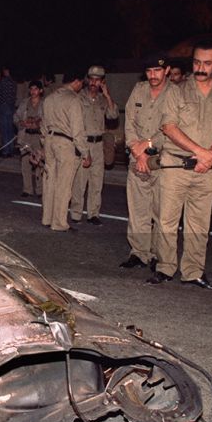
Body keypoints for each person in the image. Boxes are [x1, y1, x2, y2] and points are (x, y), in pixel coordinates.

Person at [147, 40, 212, 289]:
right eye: (197, 62)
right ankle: (165, 268)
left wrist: (210, 156)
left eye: (207, 63)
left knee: (199, 224)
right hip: (176, 165)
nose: (201, 68)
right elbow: (169, 127)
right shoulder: (177, 90)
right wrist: (201, 153)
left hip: (206, 169)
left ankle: (193, 272)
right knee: (167, 221)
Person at [119, 54, 174, 269]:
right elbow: (129, 122)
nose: (153, 75)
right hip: (137, 158)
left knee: (161, 210)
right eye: (149, 71)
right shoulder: (139, 89)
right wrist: (138, 152)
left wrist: (148, 145)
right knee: (138, 209)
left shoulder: (176, 93)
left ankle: (157, 254)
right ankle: (139, 252)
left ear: (167, 70)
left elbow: (174, 128)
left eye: (157, 70)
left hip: (163, 159)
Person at [70, 65, 118, 226]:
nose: (93, 82)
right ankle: (76, 213)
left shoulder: (103, 99)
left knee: (97, 182)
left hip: (99, 145)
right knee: (80, 181)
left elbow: (113, 115)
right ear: (87, 79)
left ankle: (93, 214)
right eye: (91, 79)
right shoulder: (78, 97)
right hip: (83, 143)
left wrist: (107, 95)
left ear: (102, 82)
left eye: (97, 80)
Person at [40, 72, 88, 232]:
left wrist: (44, 143)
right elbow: (77, 130)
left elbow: (43, 125)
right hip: (65, 143)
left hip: (49, 140)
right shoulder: (73, 99)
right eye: (81, 83)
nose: (81, 86)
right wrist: (85, 152)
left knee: (49, 181)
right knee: (64, 184)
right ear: (76, 81)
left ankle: (47, 218)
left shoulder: (49, 98)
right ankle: (59, 223)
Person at [14, 80, 45, 197]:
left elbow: (48, 120)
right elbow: (16, 117)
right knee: (25, 162)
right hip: (26, 136)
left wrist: (38, 123)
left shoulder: (44, 104)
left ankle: (40, 190)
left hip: (39, 137)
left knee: (39, 163)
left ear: (40, 90)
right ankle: (27, 189)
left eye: (36, 89)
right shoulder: (24, 103)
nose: (33, 91)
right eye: (31, 89)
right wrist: (21, 123)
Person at [0, 66, 18, 156]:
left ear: (6, 71)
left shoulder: (3, 82)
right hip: (11, 107)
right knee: (9, 130)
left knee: (4, 130)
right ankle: (10, 149)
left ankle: (5, 151)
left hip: (3, 107)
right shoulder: (14, 82)